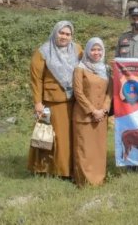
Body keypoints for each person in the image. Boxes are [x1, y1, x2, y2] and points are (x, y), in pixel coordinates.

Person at [28, 20, 82, 178]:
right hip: (52, 102)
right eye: (61, 33)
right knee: (52, 137)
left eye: (68, 34)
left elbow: (86, 66)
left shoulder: (77, 49)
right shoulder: (43, 52)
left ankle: (68, 169)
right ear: (55, 32)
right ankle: (49, 169)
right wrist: (38, 103)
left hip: (74, 101)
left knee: (70, 137)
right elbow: (36, 79)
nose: (64, 37)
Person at [72, 37, 112, 187]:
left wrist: (104, 110)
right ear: (88, 51)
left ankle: (99, 180)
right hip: (84, 116)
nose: (96, 52)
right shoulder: (80, 68)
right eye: (93, 49)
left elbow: (110, 93)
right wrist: (92, 110)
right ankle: (83, 182)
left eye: (99, 49)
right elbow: (78, 92)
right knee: (84, 150)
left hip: (101, 117)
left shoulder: (106, 69)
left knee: (98, 150)